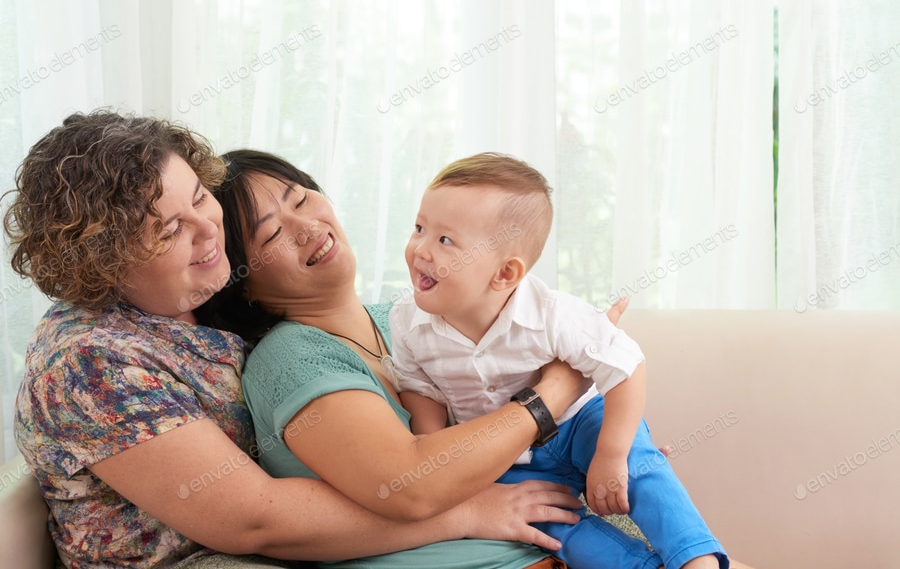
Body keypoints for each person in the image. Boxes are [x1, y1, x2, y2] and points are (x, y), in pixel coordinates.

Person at [4, 111, 592, 569]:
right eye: (170, 228)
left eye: (200, 198)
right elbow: (255, 520)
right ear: (105, 263)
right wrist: (466, 509)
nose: (211, 231)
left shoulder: (213, 307)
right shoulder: (89, 362)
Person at [202, 149, 668, 569]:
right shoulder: (289, 357)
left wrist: (604, 449)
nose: (307, 228)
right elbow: (410, 482)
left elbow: (493, 436)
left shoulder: (406, 320)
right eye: (273, 234)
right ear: (242, 281)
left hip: (561, 545)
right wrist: (558, 387)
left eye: (300, 200)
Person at [387, 152, 728, 569]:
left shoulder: (553, 314)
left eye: (444, 240)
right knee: (551, 528)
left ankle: (696, 558)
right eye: (419, 228)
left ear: (506, 274)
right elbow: (419, 390)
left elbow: (626, 366)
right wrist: (435, 457)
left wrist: (611, 453)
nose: (420, 249)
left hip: (579, 424)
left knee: (641, 467)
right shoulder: (406, 322)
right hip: (504, 458)